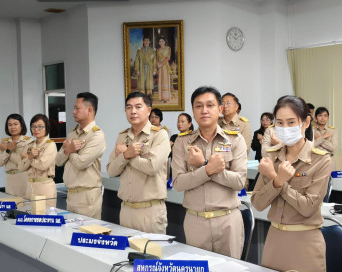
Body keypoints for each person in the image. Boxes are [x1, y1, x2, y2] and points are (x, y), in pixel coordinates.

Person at [251, 95, 331, 272]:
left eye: (291, 122)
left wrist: (277, 180)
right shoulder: (271, 156)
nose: (285, 128)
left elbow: (308, 207)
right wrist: (277, 179)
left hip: (306, 242)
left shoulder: (320, 159)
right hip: (274, 239)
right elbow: (257, 203)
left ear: (306, 122)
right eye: (279, 123)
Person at [171, 86, 247, 258]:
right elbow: (178, 183)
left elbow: (240, 182)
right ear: (193, 110)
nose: (204, 110)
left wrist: (204, 165)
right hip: (196, 221)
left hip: (228, 221)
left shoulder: (235, 139)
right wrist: (207, 169)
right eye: (199, 106)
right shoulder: (182, 142)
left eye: (210, 105)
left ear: (220, 109)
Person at [107, 92, 170, 234]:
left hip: (150, 211)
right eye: (129, 107)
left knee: (151, 255)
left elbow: (152, 167)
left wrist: (128, 156)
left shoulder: (160, 135)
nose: (133, 111)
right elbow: (111, 170)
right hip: (126, 209)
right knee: (126, 255)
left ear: (148, 110)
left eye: (138, 107)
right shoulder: (122, 136)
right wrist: (126, 155)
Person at [55, 92, 106, 219]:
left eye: (77, 108)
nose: (73, 112)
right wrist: (68, 150)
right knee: (71, 235)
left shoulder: (96, 135)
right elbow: (58, 161)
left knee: (88, 235)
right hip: (71, 194)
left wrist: (69, 151)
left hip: (87, 196)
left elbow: (82, 162)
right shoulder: (73, 134)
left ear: (89, 110)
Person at [18, 114, 57, 207]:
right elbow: (21, 167)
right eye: (34, 127)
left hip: (44, 185)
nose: (36, 130)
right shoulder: (29, 145)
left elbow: (42, 165)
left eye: (40, 127)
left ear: (46, 127)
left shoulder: (50, 145)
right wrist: (31, 156)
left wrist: (28, 158)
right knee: (29, 215)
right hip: (30, 186)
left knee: (45, 216)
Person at [0, 114, 31, 197]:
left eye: (15, 124)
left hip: (22, 177)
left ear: (21, 126)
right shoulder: (5, 142)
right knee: (11, 206)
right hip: (9, 178)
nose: (12, 127)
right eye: (10, 124)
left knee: (25, 206)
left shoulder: (28, 141)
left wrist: (8, 151)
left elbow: (23, 162)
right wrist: (7, 150)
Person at [157, 37, 172, 102]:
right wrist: (158, 64)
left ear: (164, 42)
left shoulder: (168, 48)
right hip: (160, 67)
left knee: (166, 80)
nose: (161, 42)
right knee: (161, 81)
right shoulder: (158, 50)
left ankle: (166, 98)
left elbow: (168, 58)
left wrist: (161, 64)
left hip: (165, 66)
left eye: (162, 41)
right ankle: (161, 98)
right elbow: (157, 58)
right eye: (160, 41)